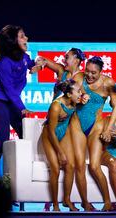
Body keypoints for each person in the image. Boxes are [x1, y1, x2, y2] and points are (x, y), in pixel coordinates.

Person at [69, 56, 116, 211]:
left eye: (93, 73)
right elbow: (69, 97)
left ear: (101, 72)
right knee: (79, 166)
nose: (89, 76)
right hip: (77, 124)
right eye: (87, 71)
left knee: (95, 166)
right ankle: (85, 203)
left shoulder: (108, 83)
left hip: (96, 126)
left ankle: (108, 202)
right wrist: (79, 98)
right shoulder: (78, 77)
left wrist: (108, 128)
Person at [0, 25, 38, 167]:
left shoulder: (24, 56)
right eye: (22, 36)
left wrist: (38, 64)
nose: (26, 38)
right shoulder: (4, 63)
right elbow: (9, 90)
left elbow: (31, 64)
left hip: (12, 103)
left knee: (25, 134)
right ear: (13, 41)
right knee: (3, 139)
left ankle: (23, 171)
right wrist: (22, 108)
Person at [41, 79, 82, 211]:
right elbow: (52, 132)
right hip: (49, 135)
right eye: (78, 91)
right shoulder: (56, 106)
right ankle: (55, 205)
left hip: (62, 132)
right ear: (69, 94)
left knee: (70, 166)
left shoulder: (75, 101)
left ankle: (67, 200)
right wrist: (60, 152)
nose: (81, 93)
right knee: (55, 169)